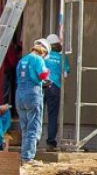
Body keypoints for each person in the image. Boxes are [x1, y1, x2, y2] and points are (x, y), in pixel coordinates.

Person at [16, 38, 50, 168]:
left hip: (20, 94)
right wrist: (47, 79)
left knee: (25, 127)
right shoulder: (38, 59)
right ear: (44, 52)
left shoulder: (22, 60)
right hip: (33, 94)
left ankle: (24, 156)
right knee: (33, 127)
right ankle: (28, 158)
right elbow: (43, 75)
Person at [43, 33, 68, 150]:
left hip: (41, 85)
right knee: (52, 115)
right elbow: (65, 73)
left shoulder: (43, 56)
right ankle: (51, 142)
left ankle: (34, 139)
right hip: (55, 87)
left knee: (37, 113)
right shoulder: (62, 57)